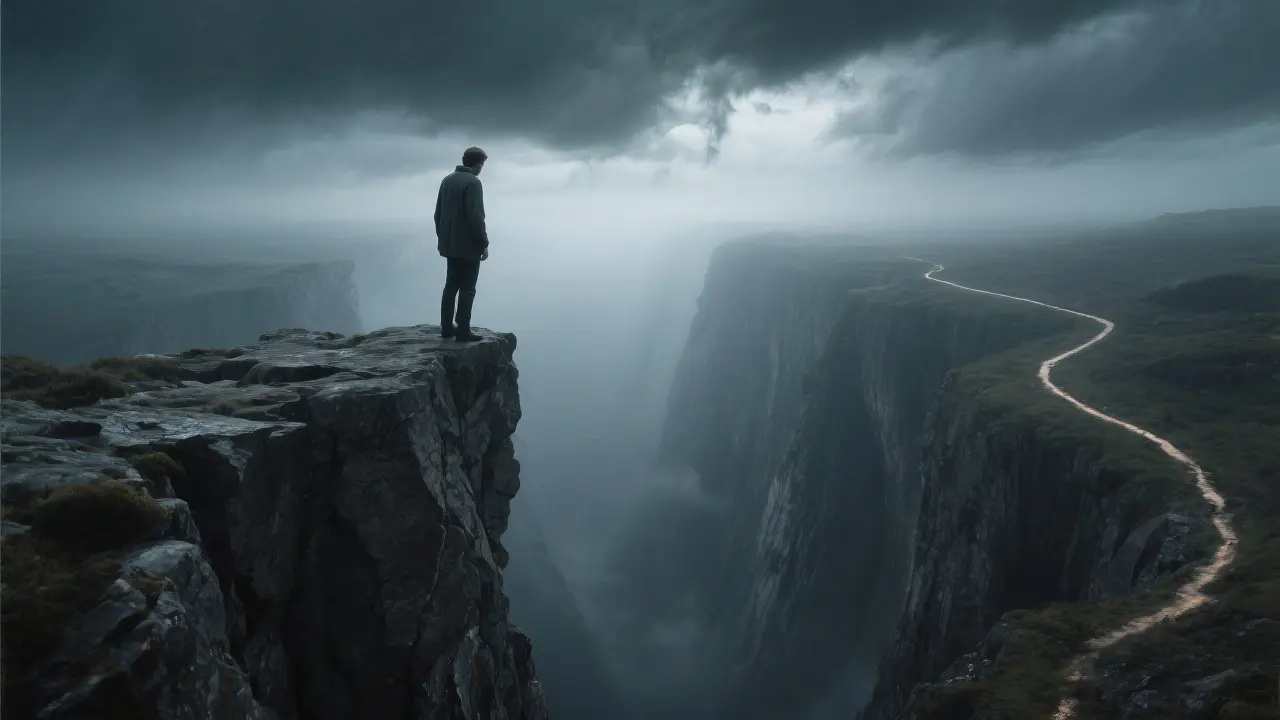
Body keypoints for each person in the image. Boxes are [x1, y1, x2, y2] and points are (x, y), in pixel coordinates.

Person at [435, 146, 490, 342]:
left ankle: (446, 327)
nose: (482, 167)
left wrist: (443, 238)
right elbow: (476, 217)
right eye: (482, 163)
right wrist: (483, 243)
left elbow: (437, 214)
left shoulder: (447, 180)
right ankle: (463, 330)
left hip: (450, 245)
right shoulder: (473, 183)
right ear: (477, 163)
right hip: (468, 247)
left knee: (450, 287)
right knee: (468, 288)